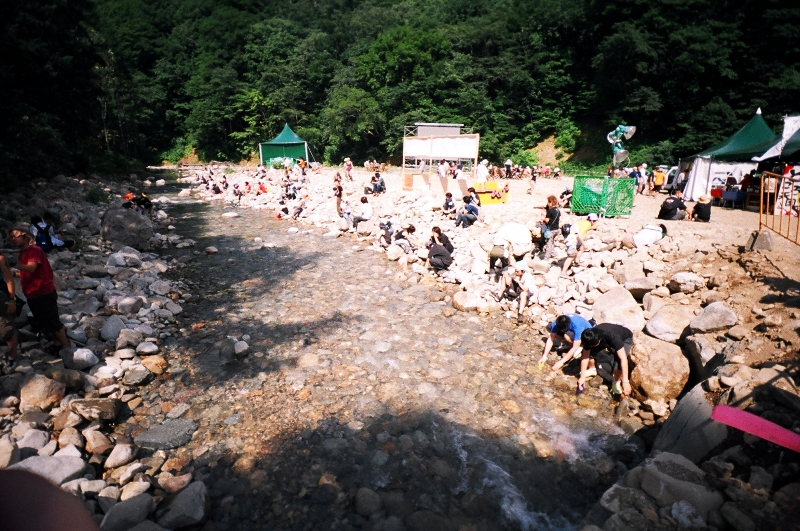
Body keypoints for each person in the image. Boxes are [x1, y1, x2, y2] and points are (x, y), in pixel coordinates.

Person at [7, 226, 70, 355]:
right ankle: (57, 343)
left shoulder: (34, 250)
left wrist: (12, 265)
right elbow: (28, 273)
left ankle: (66, 347)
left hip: (44, 291)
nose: (13, 239)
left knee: (52, 321)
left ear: (25, 236)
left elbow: (31, 268)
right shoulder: (22, 254)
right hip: (32, 293)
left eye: (16, 236)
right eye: (11, 237)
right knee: (44, 321)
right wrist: (14, 274)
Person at [577, 324, 634, 397]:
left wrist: (625, 382)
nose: (589, 347)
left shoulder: (613, 337)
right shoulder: (588, 337)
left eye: (592, 346)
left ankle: (616, 382)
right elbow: (585, 357)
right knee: (590, 353)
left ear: (598, 341)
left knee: (618, 362)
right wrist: (582, 378)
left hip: (625, 338)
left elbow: (623, 359)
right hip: (604, 340)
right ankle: (592, 369)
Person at [0, 252, 20, 369]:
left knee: (6, 328)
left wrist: (12, 301)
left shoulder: (1, 259)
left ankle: (13, 356)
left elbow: (9, 280)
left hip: (2, 297)